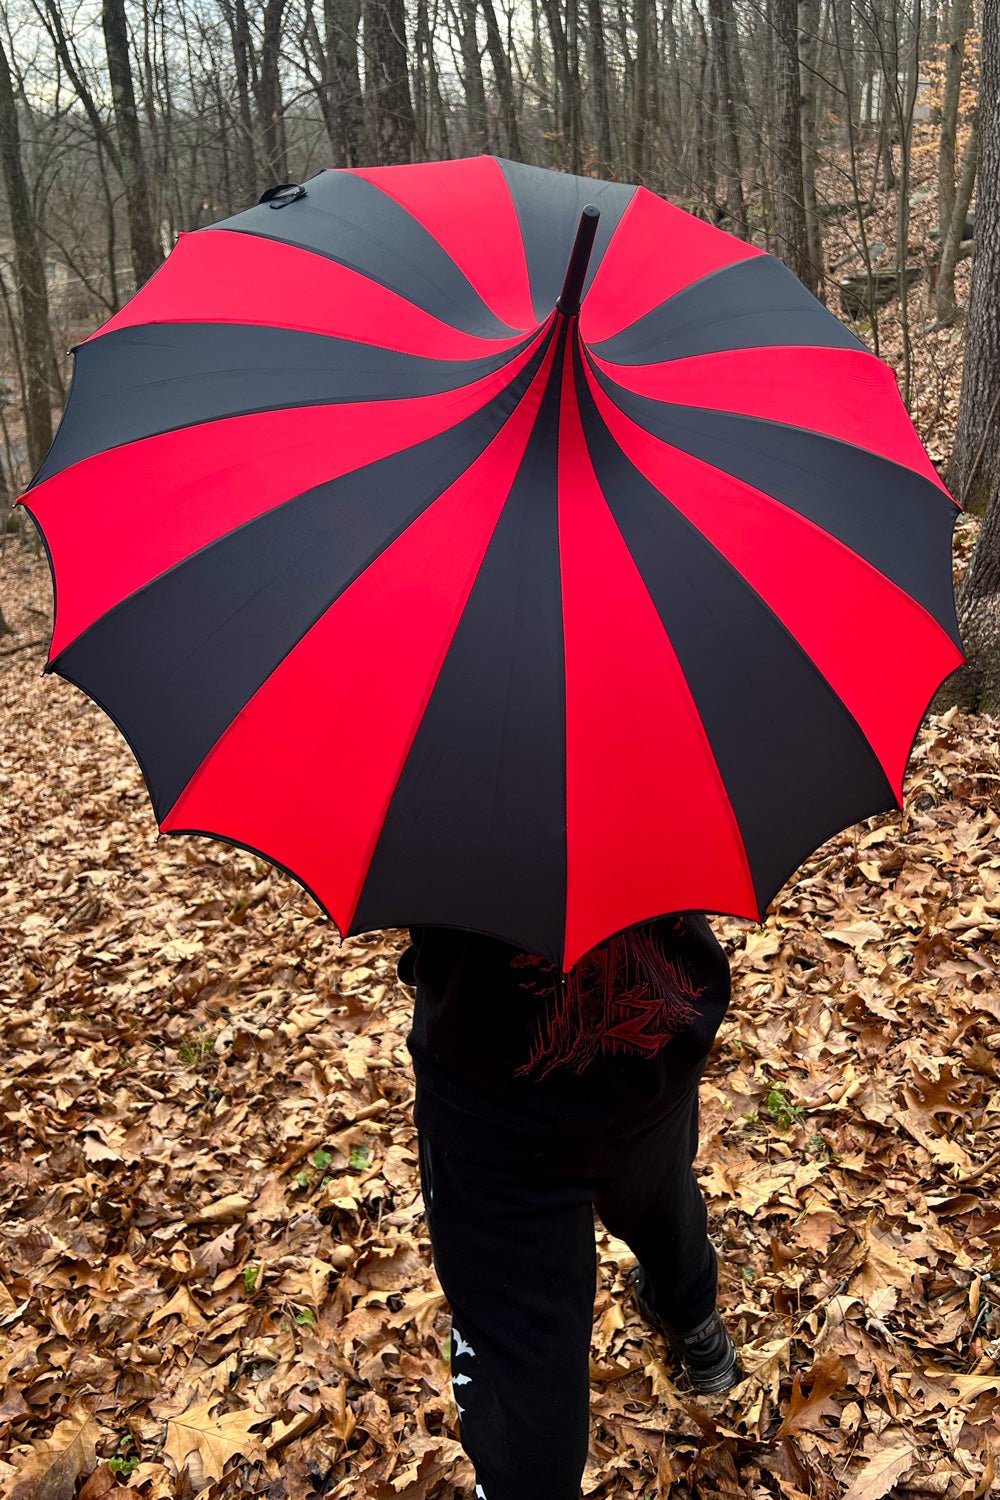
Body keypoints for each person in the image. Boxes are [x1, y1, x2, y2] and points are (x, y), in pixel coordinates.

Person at [396, 912, 743, 1500]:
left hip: (497, 1106)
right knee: (659, 1195)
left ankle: (529, 1487)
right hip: (653, 1047)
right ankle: (699, 1332)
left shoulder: (441, 844)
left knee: (520, 1345)